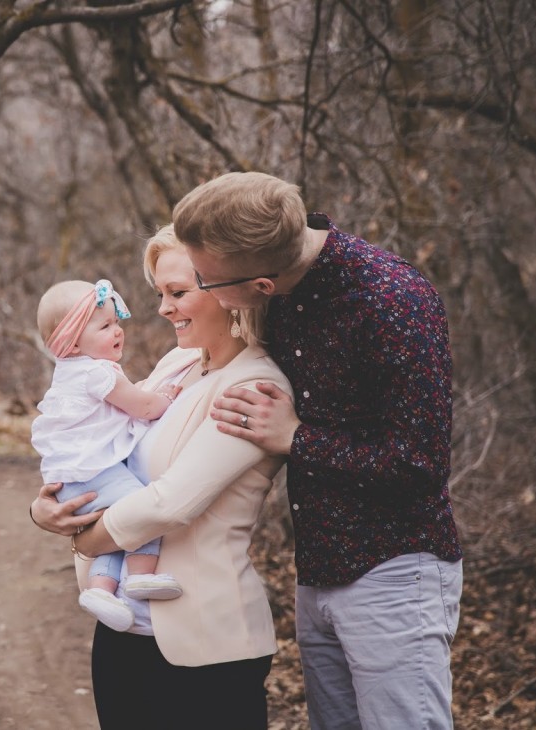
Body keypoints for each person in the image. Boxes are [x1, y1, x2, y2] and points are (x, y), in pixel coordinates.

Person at [171, 171, 464, 730]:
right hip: (320, 571)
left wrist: (295, 438)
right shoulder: (281, 289)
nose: (200, 287)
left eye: (205, 281)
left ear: (259, 285)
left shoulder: (394, 301)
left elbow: (420, 466)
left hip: (394, 571)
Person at [30, 226, 292, 729]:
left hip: (203, 644)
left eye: (178, 293)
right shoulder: (177, 364)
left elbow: (169, 504)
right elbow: (104, 447)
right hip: (125, 633)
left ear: (229, 291)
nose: (163, 308)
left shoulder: (254, 385)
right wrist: (45, 508)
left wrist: (82, 537)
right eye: (159, 294)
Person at [32, 278, 183, 633]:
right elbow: (143, 407)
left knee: (115, 535)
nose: (118, 332)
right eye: (105, 326)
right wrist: (167, 397)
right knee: (140, 511)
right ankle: (141, 577)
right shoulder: (96, 372)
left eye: (117, 323)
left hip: (74, 481)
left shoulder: (72, 371)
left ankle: (101, 591)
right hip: (92, 476)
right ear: (71, 340)